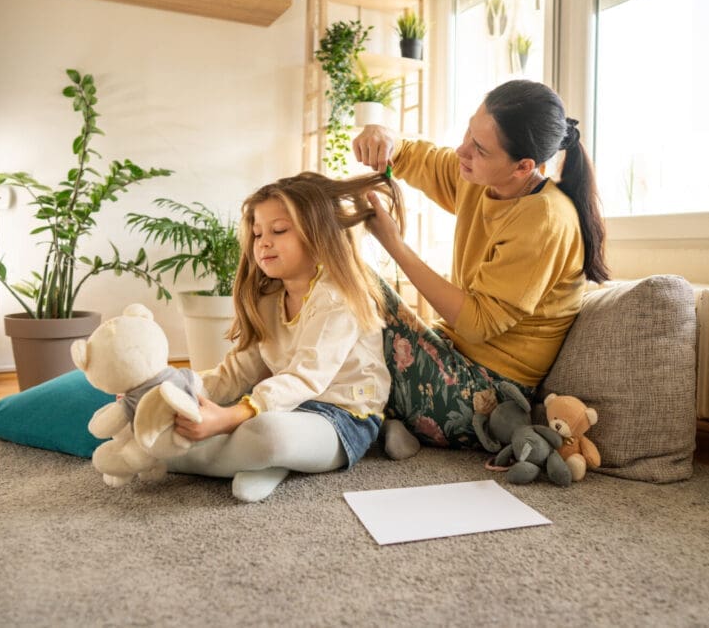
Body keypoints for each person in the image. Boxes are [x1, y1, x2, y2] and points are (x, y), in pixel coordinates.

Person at [352, 79, 609, 460]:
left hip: (486, 399)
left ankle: (356, 423)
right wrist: (385, 136)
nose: (462, 150)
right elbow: (415, 158)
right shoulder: (478, 176)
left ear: (523, 167)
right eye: (468, 132)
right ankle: (366, 422)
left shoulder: (544, 220)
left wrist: (395, 245)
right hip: (451, 357)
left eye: (480, 148)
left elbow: (475, 322)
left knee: (354, 279)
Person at [167, 171, 406, 502]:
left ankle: (165, 458)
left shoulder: (338, 297)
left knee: (265, 432)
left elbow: (304, 376)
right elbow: (236, 373)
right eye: (257, 233)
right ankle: (264, 463)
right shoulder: (267, 301)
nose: (263, 242)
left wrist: (227, 419)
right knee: (242, 422)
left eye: (278, 230)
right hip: (290, 407)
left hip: (345, 417)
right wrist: (173, 391)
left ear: (318, 234)